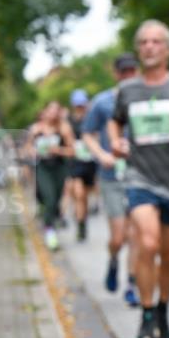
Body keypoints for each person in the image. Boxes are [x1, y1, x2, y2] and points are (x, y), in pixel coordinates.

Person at [108, 20, 169, 338]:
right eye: (144, 42)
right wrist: (116, 143)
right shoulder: (128, 90)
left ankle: (162, 311)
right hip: (140, 177)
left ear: (168, 49)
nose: (149, 47)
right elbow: (114, 121)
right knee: (147, 243)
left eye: (156, 42)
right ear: (138, 49)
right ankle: (147, 313)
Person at [84, 52, 141, 307]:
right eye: (124, 72)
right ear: (117, 74)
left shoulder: (146, 98)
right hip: (111, 175)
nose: (129, 75)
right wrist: (101, 154)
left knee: (136, 233)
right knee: (119, 237)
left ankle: (132, 284)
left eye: (132, 71)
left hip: (141, 174)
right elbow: (87, 134)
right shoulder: (102, 102)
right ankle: (114, 260)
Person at [27, 101, 75, 250]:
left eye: (56, 110)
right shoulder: (36, 129)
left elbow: (72, 151)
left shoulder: (64, 128)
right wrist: (32, 152)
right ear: (45, 111)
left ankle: (50, 218)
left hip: (59, 168)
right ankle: (50, 231)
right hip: (43, 167)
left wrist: (58, 150)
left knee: (56, 199)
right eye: (51, 110)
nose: (53, 113)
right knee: (49, 197)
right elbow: (28, 146)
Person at [68, 89, 97, 242]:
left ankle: (83, 220)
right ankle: (80, 224)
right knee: (79, 194)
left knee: (85, 196)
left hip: (90, 162)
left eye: (82, 105)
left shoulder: (92, 118)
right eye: (77, 105)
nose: (80, 108)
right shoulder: (69, 121)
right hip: (76, 162)